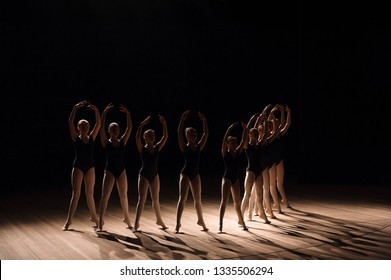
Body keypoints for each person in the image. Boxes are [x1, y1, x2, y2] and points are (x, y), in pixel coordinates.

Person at [63, 100, 100, 231]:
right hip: (78, 167)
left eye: (86, 125)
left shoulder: (92, 137)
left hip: (90, 167)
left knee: (90, 194)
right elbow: (69, 122)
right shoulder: (76, 138)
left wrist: (96, 110)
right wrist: (75, 108)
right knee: (76, 194)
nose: (84, 127)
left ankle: (94, 217)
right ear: (78, 128)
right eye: (82, 125)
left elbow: (99, 123)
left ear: (89, 127)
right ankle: (68, 221)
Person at [97, 103, 132, 231]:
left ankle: (127, 218)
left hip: (121, 170)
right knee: (104, 196)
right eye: (113, 129)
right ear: (109, 131)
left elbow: (129, 127)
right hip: (110, 170)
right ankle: (100, 221)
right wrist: (104, 114)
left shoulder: (122, 141)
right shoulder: (106, 142)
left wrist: (128, 114)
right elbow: (100, 129)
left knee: (124, 195)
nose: (115, 130)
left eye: (117, 128)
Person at [175, 110, 209, 233]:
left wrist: (204, 120)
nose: (193, 135)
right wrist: (182, 119)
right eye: (191, 133)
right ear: (187, 136)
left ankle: (201, 220)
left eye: (194, 133)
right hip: (185, 174)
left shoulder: (199, 146)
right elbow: (179, 132)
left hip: (195, 175)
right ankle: (178, 224)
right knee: (182, 198)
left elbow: (206, 133)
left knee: (198, 199)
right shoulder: (184, 146)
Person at [133, 114, 168, 231]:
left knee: (156, 199)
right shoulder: (142, 148)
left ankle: (159, 220)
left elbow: (165, 136)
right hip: (143, 175)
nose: (151, 136)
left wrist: (164, 124)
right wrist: (142, 124)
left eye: (153, 135)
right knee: (141, 199)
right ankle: (136, 223)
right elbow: (137, 137)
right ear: (145, 137)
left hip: (154, 175)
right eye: (149, 135)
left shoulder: (157, 147)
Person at [218, 121, 248, 233]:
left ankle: (242, 222)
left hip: (235, 179)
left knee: (237, 202)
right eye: (232, 142)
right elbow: (223, 140)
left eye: (235, 142)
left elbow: (244, 140)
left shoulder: (238, 151)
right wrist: (229, 128)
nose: (234, 143)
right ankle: (220, 225)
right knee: (224, 201)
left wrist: (245, 130)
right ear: (228, 144)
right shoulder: (225, 152)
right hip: (227, 179)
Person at [241, 112, 270, 224]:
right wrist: (248, 124)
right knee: (247, 194)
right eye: (254, 134)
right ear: (250, 135)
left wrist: (266, 120)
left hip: (258, 171)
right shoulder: (246, 145)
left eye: (257, 134)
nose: (257, 136)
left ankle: (262, 214)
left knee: (259, 194)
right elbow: (245, 136)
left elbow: (266, 134)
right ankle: (241, 216)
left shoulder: (259, 144)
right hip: (250, 171)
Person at [268, 104, 292, 212]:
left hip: (279, 159)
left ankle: (285, 201)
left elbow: (286, 124)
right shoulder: (269, 136)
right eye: (276, 124)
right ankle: (276, 204)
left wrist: (286, 112)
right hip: (271, 161)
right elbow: (268, 122)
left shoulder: (280, 134)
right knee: (272, 184)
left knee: (280, 182)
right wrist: (272, 113)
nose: (278, 125)